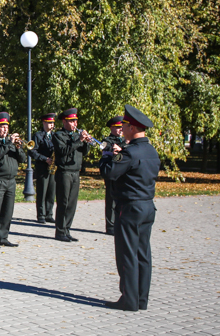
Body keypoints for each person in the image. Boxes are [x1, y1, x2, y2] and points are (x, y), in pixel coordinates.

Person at [101, 105, 160, 311]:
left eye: (124, 125)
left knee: (127, 254)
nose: (122, 128)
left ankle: (129, 300)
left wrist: (106, 155)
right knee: (143, 254)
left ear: (132, 128)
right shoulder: (151, 150)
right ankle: (141, 299)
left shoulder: (130, 152)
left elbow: (109, 173)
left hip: (130, 208)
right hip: (147, 206)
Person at [0, 112, 28, 248]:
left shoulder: (11, 143)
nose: (5, 129)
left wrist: (18, 148)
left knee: (7, 211)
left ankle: (3, 237)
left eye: (6, 127)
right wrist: (9, 143)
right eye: (2, 127)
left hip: (11, 180)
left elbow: (23, 159)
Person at [52, 108, 91, 242]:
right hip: (64, 172)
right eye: (72, 121)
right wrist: (79, 140)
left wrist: (86, 142)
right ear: (64, 121)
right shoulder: (58, 135)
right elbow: (63, 151)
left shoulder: (76, 136)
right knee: (63, 202)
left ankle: (67, 230)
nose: (75, 123)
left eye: (76, 121)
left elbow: (84, 152)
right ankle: (60, 231)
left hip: (75, 172)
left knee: (72, 204)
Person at [28, 112, 57, 224]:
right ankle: (41, 215)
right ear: (44, 123)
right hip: (42, 167)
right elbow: (32, 151)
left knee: (51, 192)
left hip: (52, 167)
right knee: (42, 191)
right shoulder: (38, 135)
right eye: (49, 123)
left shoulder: (55, 136)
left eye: (53, 123)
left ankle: (49, 214)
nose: (52, 125)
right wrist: (45, 159)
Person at [101, 116, 126, 236]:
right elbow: (103, 147)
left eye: (122, 127)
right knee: (111, 201)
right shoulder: (107, 140)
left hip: (122, 173)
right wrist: (114, 149)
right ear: (111, 128)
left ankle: (120, 223)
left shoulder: (125, 140)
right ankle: (110, 226)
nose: (121, 129)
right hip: (112, 172)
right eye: (118, 127)